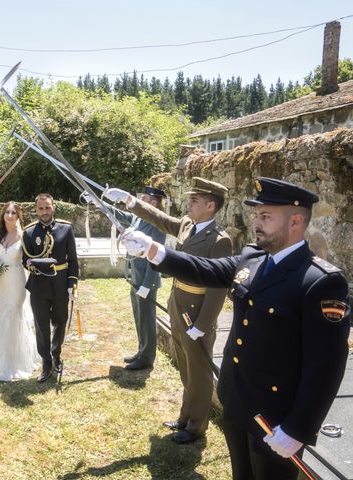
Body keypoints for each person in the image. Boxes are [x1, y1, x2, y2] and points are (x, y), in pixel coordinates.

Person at [121, 177, 350, 480]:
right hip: (236, 400)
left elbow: (326, 367)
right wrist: (154, 251)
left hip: (276, 417)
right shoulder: (253, 258)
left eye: (266, 216)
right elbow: (207, 269)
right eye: (257, 215)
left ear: (296, 221)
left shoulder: (321, 281)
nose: (257, 222)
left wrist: (299, 429)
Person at [105, 177, 232, 444]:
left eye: (194, 200)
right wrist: (131, 201)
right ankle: (185, 416)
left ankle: (197, 426)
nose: (189, 203)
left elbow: (219, 287)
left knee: (199, 371)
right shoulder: (188, 225)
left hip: (197, 311)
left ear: (211, 205)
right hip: (178, 302)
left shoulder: (220, 240)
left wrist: (203, 323)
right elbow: (160, 219)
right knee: (185, 366)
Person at [103, 186, 168, 370]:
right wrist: (100, 203)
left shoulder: (158, 223)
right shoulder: (140, 216)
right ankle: (141, 350)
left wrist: (149, 284)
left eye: (144, 198)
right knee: (139, 316)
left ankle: (147, 357)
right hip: (136, 276)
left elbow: (157, 258)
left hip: (147, 279)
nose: (140, 200)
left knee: (147, 318)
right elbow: (122, 216)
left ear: (153, 202)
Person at [0, 202, 41, 381]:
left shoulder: (23, 236)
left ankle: (11, 362)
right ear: (3, 214)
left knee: (12, 315)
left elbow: (30, 259)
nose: (10, 215)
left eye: (14, 213)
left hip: (15, 281)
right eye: (7, 212)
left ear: (19, 216)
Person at [21, 193, 79, 383]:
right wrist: (34, 265)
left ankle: (56, 353)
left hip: (61, 284)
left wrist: (72, 283)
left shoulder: (66, 229)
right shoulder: (29, 233)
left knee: (61, 321)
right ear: (36, 210)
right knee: (41, 325)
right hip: (39, 285)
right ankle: (46, 362)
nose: (44, 212)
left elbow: (72, 260)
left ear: (53, 207)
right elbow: (25, 260)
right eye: (40, 208)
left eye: (47, 208)